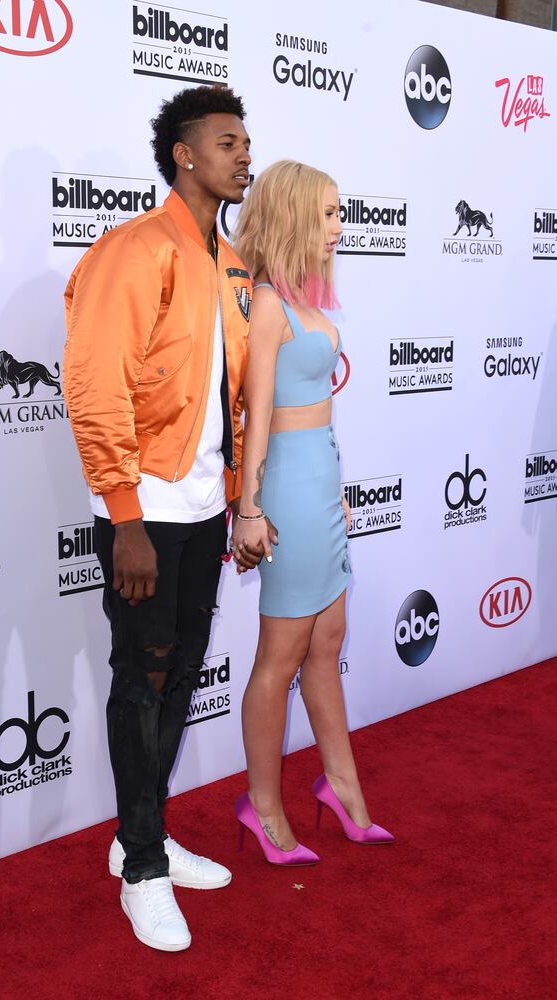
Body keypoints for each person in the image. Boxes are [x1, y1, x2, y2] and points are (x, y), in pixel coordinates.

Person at [62, 86, 256, 952]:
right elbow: (94, 384)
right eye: (227, 142)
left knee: (177, 677)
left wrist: (237, 496)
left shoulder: (233, 264)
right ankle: (142, 869)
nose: (244, 156)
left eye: (246, 143)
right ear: (184, 154)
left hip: (206, 505)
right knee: (140, 680)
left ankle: (138, 836)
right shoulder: (134, 250)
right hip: (144, 508)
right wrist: (125, 514)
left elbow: (231, 399)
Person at [230, 160, 394, 864]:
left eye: (340, 213)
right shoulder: (269, 304)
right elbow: (257, 418)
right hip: (287, 493)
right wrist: (250, 508)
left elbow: (319, 413)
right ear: (294, 215)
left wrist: (337, 493)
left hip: (320, 483)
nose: (339, 227)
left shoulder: (304, 300)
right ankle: (262, 807)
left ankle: (343, 788)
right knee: (281, 655)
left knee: (328, 639)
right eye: (327, 214)